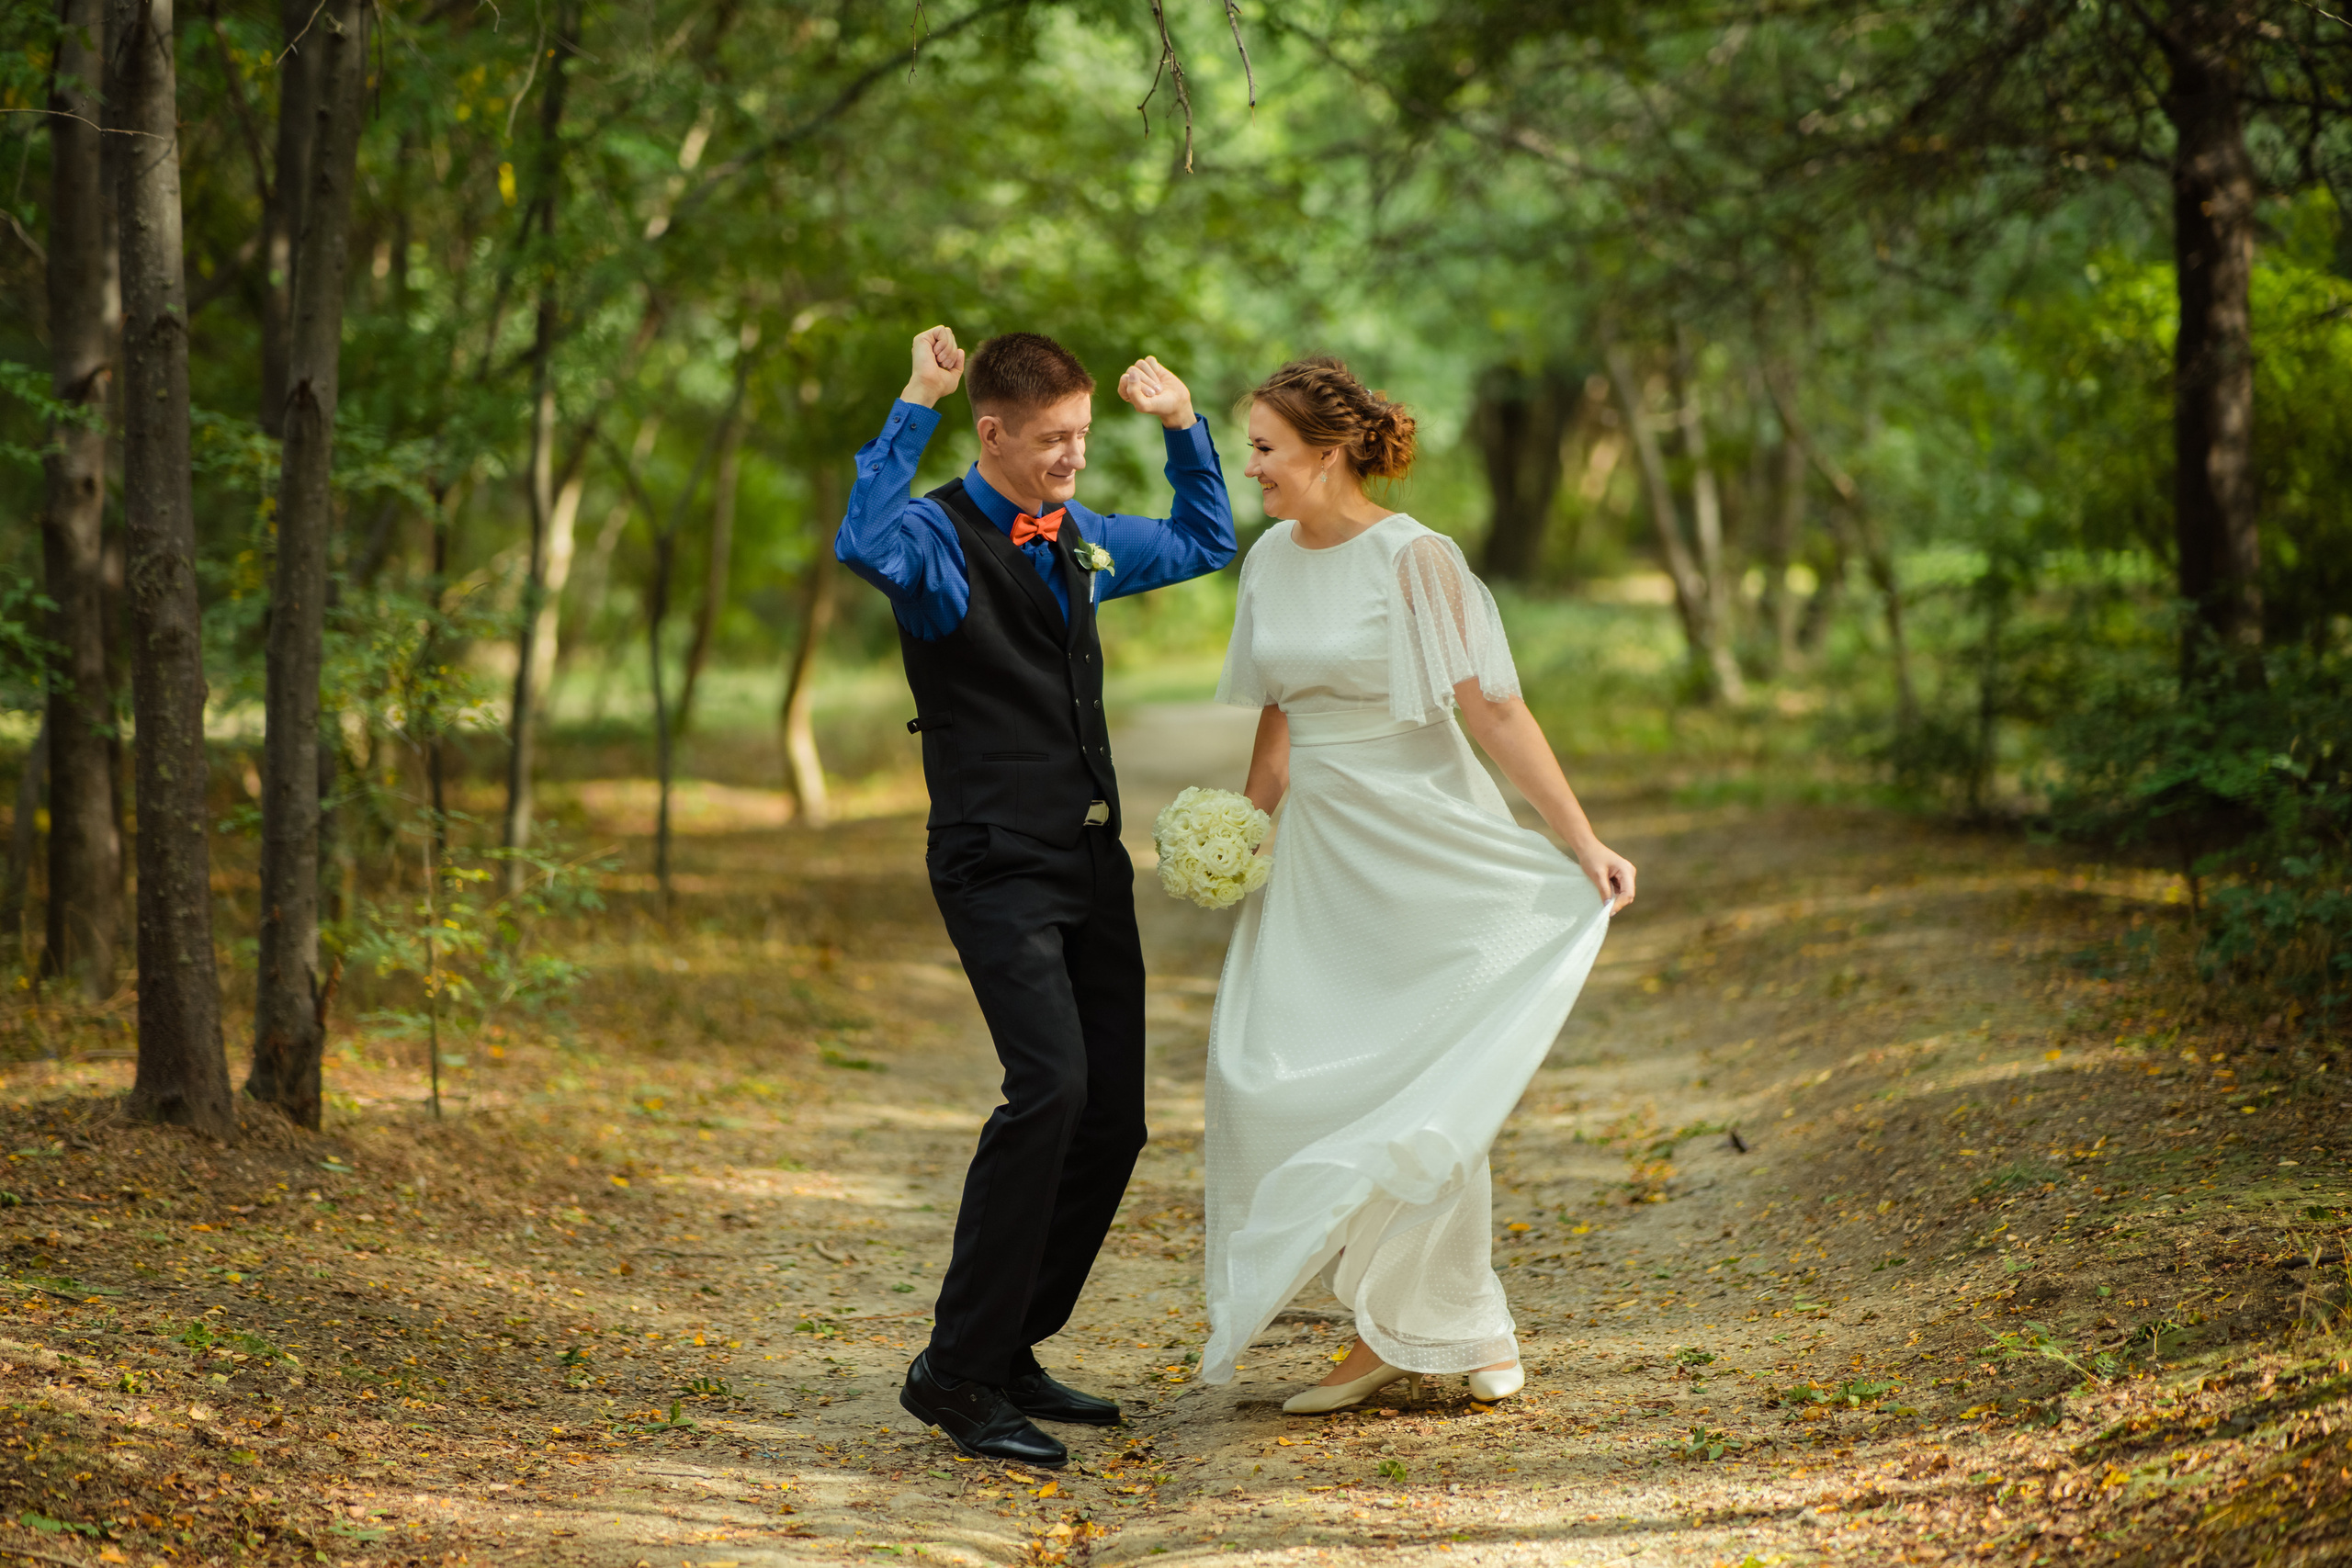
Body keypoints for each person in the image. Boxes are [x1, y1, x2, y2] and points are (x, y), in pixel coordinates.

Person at [1198, 357, 1636, 1414]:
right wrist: (1238, 834)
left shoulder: (1415, 559)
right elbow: (1277, 713)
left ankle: (1410, 1328)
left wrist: (1578, 841)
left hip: (1424, 841)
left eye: (1262, 446)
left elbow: (1491, 711)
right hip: (1317, 860)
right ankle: (1454, 1322)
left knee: (1428, 1082)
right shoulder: (1266, 559)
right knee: (1268, 1075)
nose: (1247, 465)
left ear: (1329, 450)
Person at [836, 326, 1237, 1464]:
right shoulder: (927, 538)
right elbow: (857, 541)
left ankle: (1009, 1343)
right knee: (1048, 1089)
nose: (1071, 458)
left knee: (1115, 1118)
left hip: (1090, 861)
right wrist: (913, 399)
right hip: (991, 858)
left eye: (1082, 437)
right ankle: (956, 1374)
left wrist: (1181, 430)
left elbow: (1208, 538)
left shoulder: (1083, 536)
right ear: (993, 431)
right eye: (1052, 440)